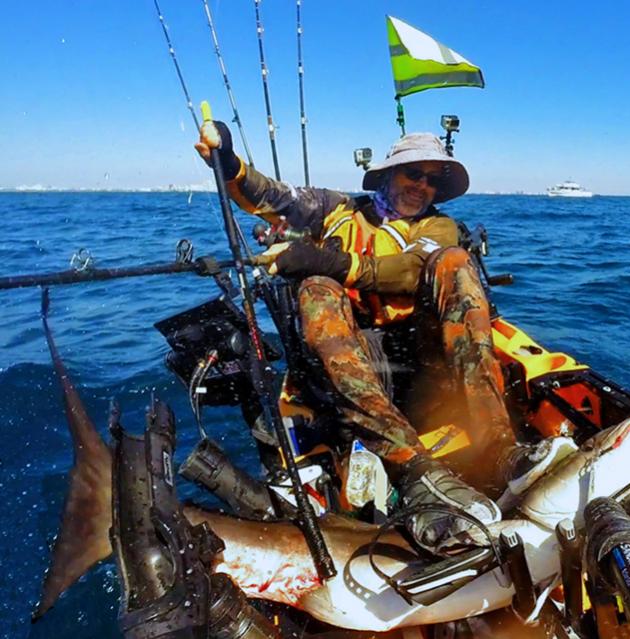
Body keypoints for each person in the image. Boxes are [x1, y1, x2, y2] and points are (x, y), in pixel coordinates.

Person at [196, 122, 531, 552]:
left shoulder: (441, 229)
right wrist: (228, 162)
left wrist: (324, 258)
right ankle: (415, 473)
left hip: (424, 358)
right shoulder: (336, 209)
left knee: (453, 262)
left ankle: (500, 450)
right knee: (316, 288)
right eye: (414, 174)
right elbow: (274, 198)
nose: (422, 187)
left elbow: (410, 271)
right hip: (351, 358)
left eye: (432, 180)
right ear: (389, 174)